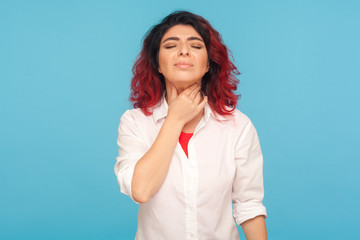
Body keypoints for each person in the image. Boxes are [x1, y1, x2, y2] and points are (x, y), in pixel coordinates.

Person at [114, 11, 268, 240]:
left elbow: (249, 205)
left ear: (208, 64)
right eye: (170, 45)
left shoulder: (238, 126)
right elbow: (141, 190)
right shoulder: (134, 122)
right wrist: (175, 119)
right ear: (157, 63)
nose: (184, 50)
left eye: (196, 46)